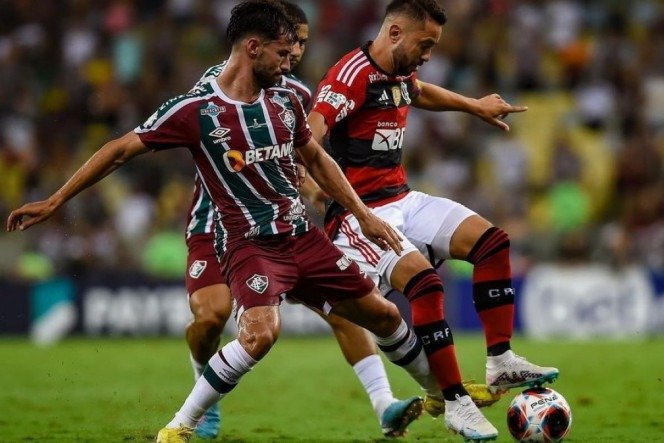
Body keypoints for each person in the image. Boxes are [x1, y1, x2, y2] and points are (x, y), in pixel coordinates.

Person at [6, 2, 461, 442]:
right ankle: (181, 423)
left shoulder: (289, 98)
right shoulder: (197, 108)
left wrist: (360, 215)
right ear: (253, 48)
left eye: (295, 49)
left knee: (380, 313)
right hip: (242, 238)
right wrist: (55, 200)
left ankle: (445, 399)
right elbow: (120, 149)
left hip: (300, 234)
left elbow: (317, 159)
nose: (293, 60)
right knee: (232, 325)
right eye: (285, 51)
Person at [183, 1, 440, 438]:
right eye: (292, 41)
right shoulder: (219, 83)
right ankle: (199, 379)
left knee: (346, 311)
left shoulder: (296, 95)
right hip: (216, 224)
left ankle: (384, 405)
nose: (298, 51)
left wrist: (323, 193)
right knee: (212, 318)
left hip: (284, 226)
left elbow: (309, 159)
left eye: (303, 42)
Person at [303, 0, 559, 437]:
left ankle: (500, 360)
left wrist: (473, 105)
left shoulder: (399, 72)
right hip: (357, 214)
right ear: (396, 33)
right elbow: (308, 137)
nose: (429, 54)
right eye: (425, 44)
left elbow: (419, 92)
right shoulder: (350, 76)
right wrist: (320, 193)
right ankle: (456, 402)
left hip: (402, 197)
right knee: (425, 284)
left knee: (492, 242)